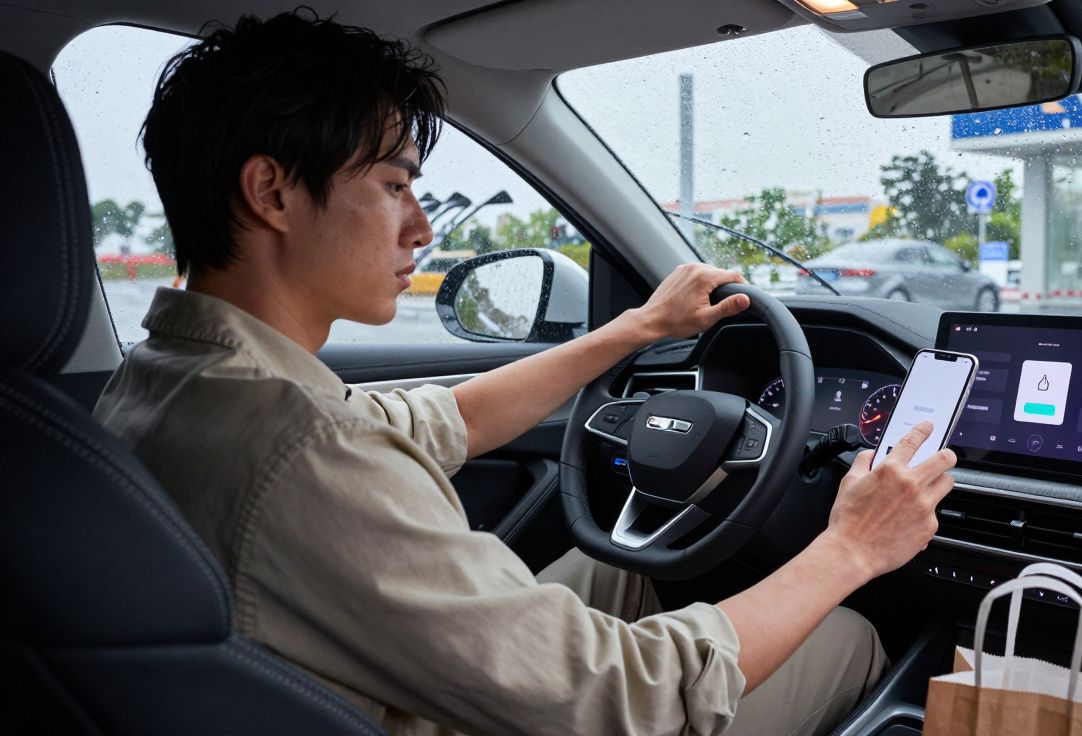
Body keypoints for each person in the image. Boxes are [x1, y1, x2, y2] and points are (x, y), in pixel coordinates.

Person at [92, 11, 956, 736]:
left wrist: (637, 329)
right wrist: (851, 548)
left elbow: (439, 421)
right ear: (271, 192)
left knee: (637, 570)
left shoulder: (168, 380)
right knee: (844, 636)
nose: (423, 226)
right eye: (396, 185)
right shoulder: (306, 452)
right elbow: (621, 695)